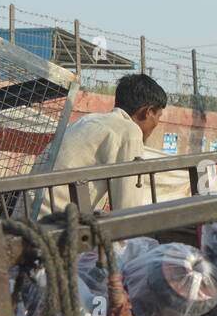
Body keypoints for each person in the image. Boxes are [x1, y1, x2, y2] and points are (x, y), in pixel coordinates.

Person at [40, 73, 166, 216]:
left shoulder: (87, 120)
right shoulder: (130, 131)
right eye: (158, 117)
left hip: (29, 217)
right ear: (147, 112)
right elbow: (128, 210)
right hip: (56, 226)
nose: (156, 123)